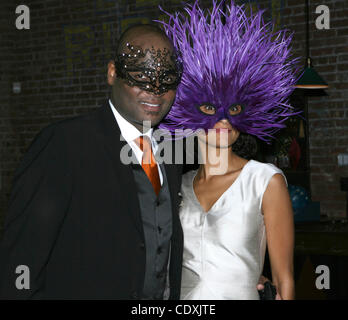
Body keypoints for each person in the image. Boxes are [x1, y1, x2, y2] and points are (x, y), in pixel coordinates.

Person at [0, 24, 184, 299]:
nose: (155, 90)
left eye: (167, 79)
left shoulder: (173, 152)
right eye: (140, 76)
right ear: (112, 73)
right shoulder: (64, 145)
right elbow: (21, 260)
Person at [158, 0, 298, 300]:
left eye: (233, 107)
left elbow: (284, 282)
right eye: (209, 107)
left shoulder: (264, 181)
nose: (223, 118)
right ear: (187, 111)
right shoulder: (177, 186)